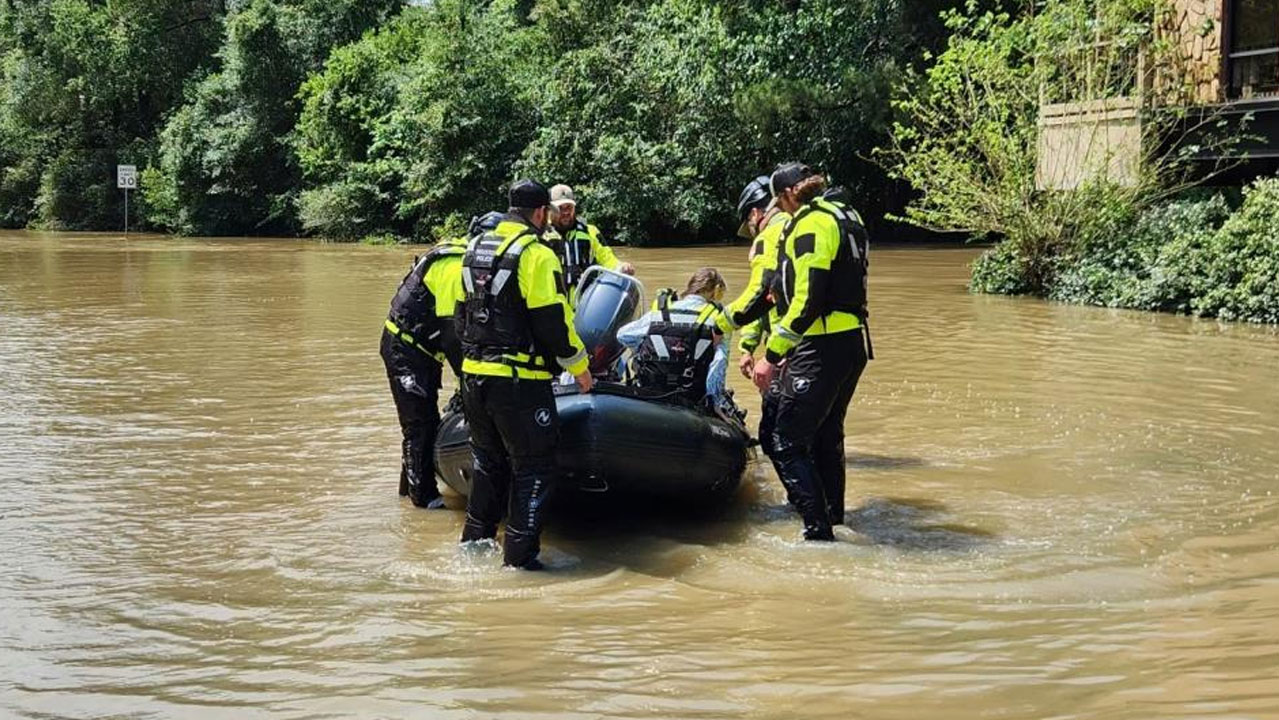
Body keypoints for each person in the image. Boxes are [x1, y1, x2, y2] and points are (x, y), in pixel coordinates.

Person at [456, 179, 594, 570]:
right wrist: (580, 369)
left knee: (488, 462)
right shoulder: (537, 254)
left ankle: (475, 545)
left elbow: (460, 314)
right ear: (540, 213)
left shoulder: (475, 249)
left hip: (474, 375)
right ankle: (520, 563)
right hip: (519, 381)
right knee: (534, 466)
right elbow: (552, 324)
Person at [749, 162, 871, 541]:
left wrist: (770, 356)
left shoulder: (811, 223)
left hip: (819, 346)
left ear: (787, 195)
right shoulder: (847, 215)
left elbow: (808, 301)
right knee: (827, 435)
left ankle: (819, 534)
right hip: (853, 343)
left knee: (785, 441)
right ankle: (834, 518)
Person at [380, 214, 482, 509]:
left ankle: (407, 492)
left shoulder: (468, 262)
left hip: (423, 349)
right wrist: (471, 386)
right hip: (405, 349)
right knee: (419, 425)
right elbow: (454, 338)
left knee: (424, 422)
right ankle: (422, 503)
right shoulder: (453, 266)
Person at [717, 174, 794, 480]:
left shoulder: (769, 235)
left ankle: (806, 516)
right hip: (799, 344)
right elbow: (767, 302)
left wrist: (717, 325)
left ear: (755, 213)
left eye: (748, 223)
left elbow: (760, 294)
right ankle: (827, 512)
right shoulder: (794, 226)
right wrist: (748, 345)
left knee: (777, 437)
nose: (749, 231)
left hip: (786, 349)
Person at [617, 267, 729, 408]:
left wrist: (641, 348)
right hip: (691, 397)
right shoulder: (717, 320)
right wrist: (715, 401)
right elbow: (719, 362)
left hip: (650, 392)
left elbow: (622, 335)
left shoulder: (659, 313)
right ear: (715, 292)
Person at [545, 184, 634, 296]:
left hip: (584, 303)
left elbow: (607, 258)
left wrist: (621, 266)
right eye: (560, 208)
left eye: (569, 207)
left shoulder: (590, 231)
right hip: (554, 303)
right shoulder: (541, 235)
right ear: (550, 210)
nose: (566, 212)